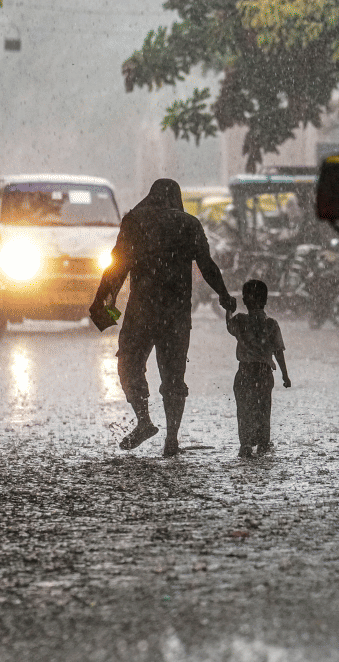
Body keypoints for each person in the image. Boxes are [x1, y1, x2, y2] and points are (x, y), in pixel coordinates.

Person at [92, 178, 236, 456]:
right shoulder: (189, 224)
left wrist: (103, 301)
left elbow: (117, 265)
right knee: (174, 377)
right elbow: (207, 265)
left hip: (141, 311)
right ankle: (171, 439)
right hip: (177, 312)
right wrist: (223, 294)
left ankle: (144, 420)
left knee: (129, 364)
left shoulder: (134, 221)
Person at [225, 279, 290, 458]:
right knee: (263, 408)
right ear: (265, 300)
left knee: (244, 409)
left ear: (245, 300)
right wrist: (285, 375)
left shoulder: (239, 320)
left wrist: (229, 309)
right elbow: (278, 352)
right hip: (264, 372)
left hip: (244, 371)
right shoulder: (271, 324)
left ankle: (245, 443)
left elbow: (228, 325)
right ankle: (263, 443)